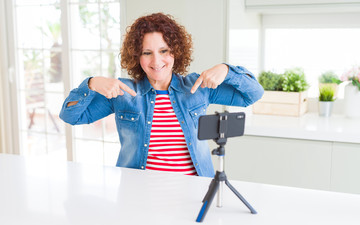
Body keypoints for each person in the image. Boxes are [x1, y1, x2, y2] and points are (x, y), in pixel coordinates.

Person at [59, 12, 264, 178]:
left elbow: (252, 95)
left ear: (176, 51)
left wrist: (227, 70)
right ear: (137, 57)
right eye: (147, 53)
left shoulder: (198, 87)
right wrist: (92, 83)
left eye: (164, 51)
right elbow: (71, 116)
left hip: (193, 192)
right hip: (139, 196)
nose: (156, 61)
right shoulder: (123, 92)